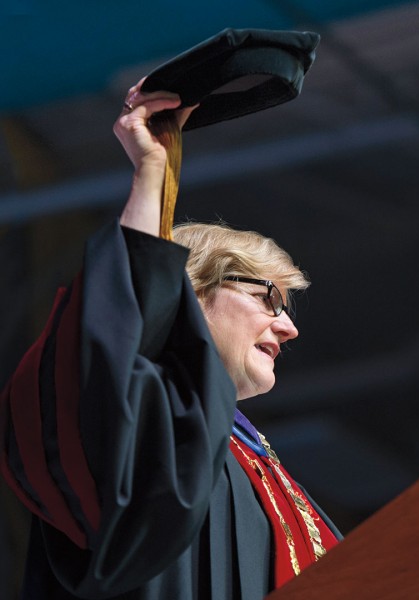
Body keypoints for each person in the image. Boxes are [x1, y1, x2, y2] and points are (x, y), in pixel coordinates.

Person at [0, 79, 341, 599]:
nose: (288, 326)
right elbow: (112, 344)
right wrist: (152, 176)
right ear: (191, 294)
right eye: (268, 298)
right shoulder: (154, 431)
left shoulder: (262, 467)